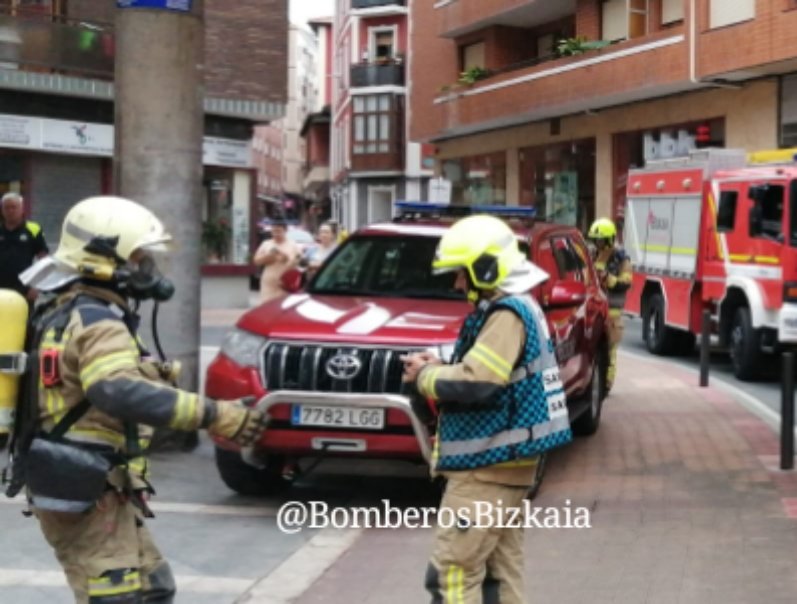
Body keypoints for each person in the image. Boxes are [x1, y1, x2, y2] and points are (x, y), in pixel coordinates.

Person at [11, 196, 266, 603]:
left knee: (153, 587)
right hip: (87, 485)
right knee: (119, 596)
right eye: (136, 257)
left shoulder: (66, 307)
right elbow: (115, 390)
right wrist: (215, 414)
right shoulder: (97, 320)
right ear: (101, 258)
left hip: (94, 481)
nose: (145, 268)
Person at [401, 215, 572, 604]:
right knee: (499, 578)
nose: (458, 283)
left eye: (462, 274)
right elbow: (493, 365)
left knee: (452, 575)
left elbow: (480, 380)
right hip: (506, 469)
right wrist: (439, 363)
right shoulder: (519, 307)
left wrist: (426, 376)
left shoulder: (506, 313)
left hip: (485, 472)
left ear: (485, 267)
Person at [587, 217, 632, 392]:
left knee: (610, 350)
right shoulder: (592, 254)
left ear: (609, 239)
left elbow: (627, 282)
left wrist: (610, 279)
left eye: (600, 240)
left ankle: (606, 385)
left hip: (612, 311)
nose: (597, 244)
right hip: (595, 309)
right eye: (595, 240)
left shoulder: (621, 259)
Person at [0, 192, 49, 302]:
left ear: (22, 209)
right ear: (2, 210)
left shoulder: (33, 229)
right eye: (6, 208)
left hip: (24, 290)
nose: (10, 211)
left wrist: (36, 286)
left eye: (14, 207)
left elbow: (44, 260)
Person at [253, 219, 300, 302]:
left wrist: (285, 258)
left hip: (285, 284)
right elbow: (256, 261)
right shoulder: (266, 243)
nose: (276, 234)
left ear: (285, 230)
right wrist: (268, 257)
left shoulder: (293, 245)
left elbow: (296, 262)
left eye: (278, 231)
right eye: (273, 231)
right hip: (268, 283)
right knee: (266, 307)